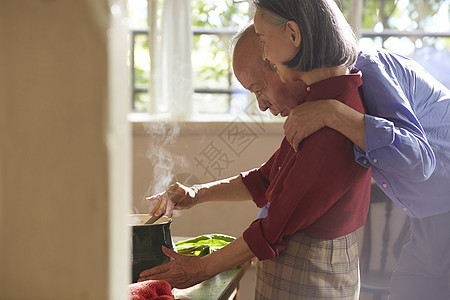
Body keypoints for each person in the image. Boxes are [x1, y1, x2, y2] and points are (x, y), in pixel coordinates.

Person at [139, 0, 372, 299]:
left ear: (293, 36)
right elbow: (267, 178)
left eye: (259, 88)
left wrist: (201, 268)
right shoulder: (317, 104)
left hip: (313, 277)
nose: (260, 104)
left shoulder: (333, 118)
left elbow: (273, 228)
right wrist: (197, 194)